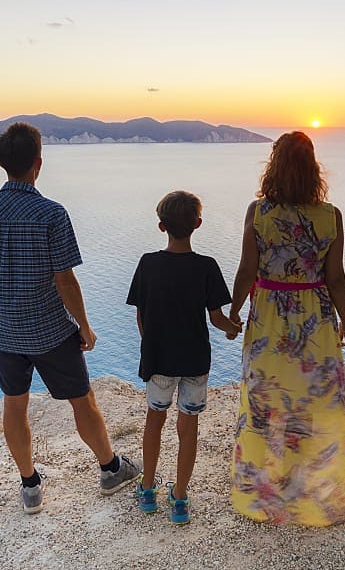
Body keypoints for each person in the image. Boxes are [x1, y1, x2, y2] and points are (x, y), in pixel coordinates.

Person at [0, 122, 139, 515]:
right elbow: (65, 280)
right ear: (39, 163)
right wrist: (85, 326)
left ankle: (30, 486)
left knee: (15, 404)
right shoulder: (51, 214)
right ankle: (110, 469)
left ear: (0, 162)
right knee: (82, 401)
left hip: (4, 332)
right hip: (52, 331)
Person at [228, 131, 345, 526]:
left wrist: (233, 310)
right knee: (309, 401)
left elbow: (248, 269)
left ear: (274, 167)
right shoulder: (330, 215)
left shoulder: (259, 212)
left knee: (264, 400)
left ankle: (266, 490)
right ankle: (306, 489)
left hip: (268, 316)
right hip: (314, 318)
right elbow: (336, 278)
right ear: (313, 169)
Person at [126, 190, 242, 525]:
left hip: (159, 358)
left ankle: (147, 490)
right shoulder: (206, 267)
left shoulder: (148, 263)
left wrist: (151, 343)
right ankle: (179, 498)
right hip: (194, 361)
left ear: (161, 226)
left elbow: (141, 314)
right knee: (188, 426)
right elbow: (217, 318)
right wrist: (232, 329)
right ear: (198, 224)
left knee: (154, 421)